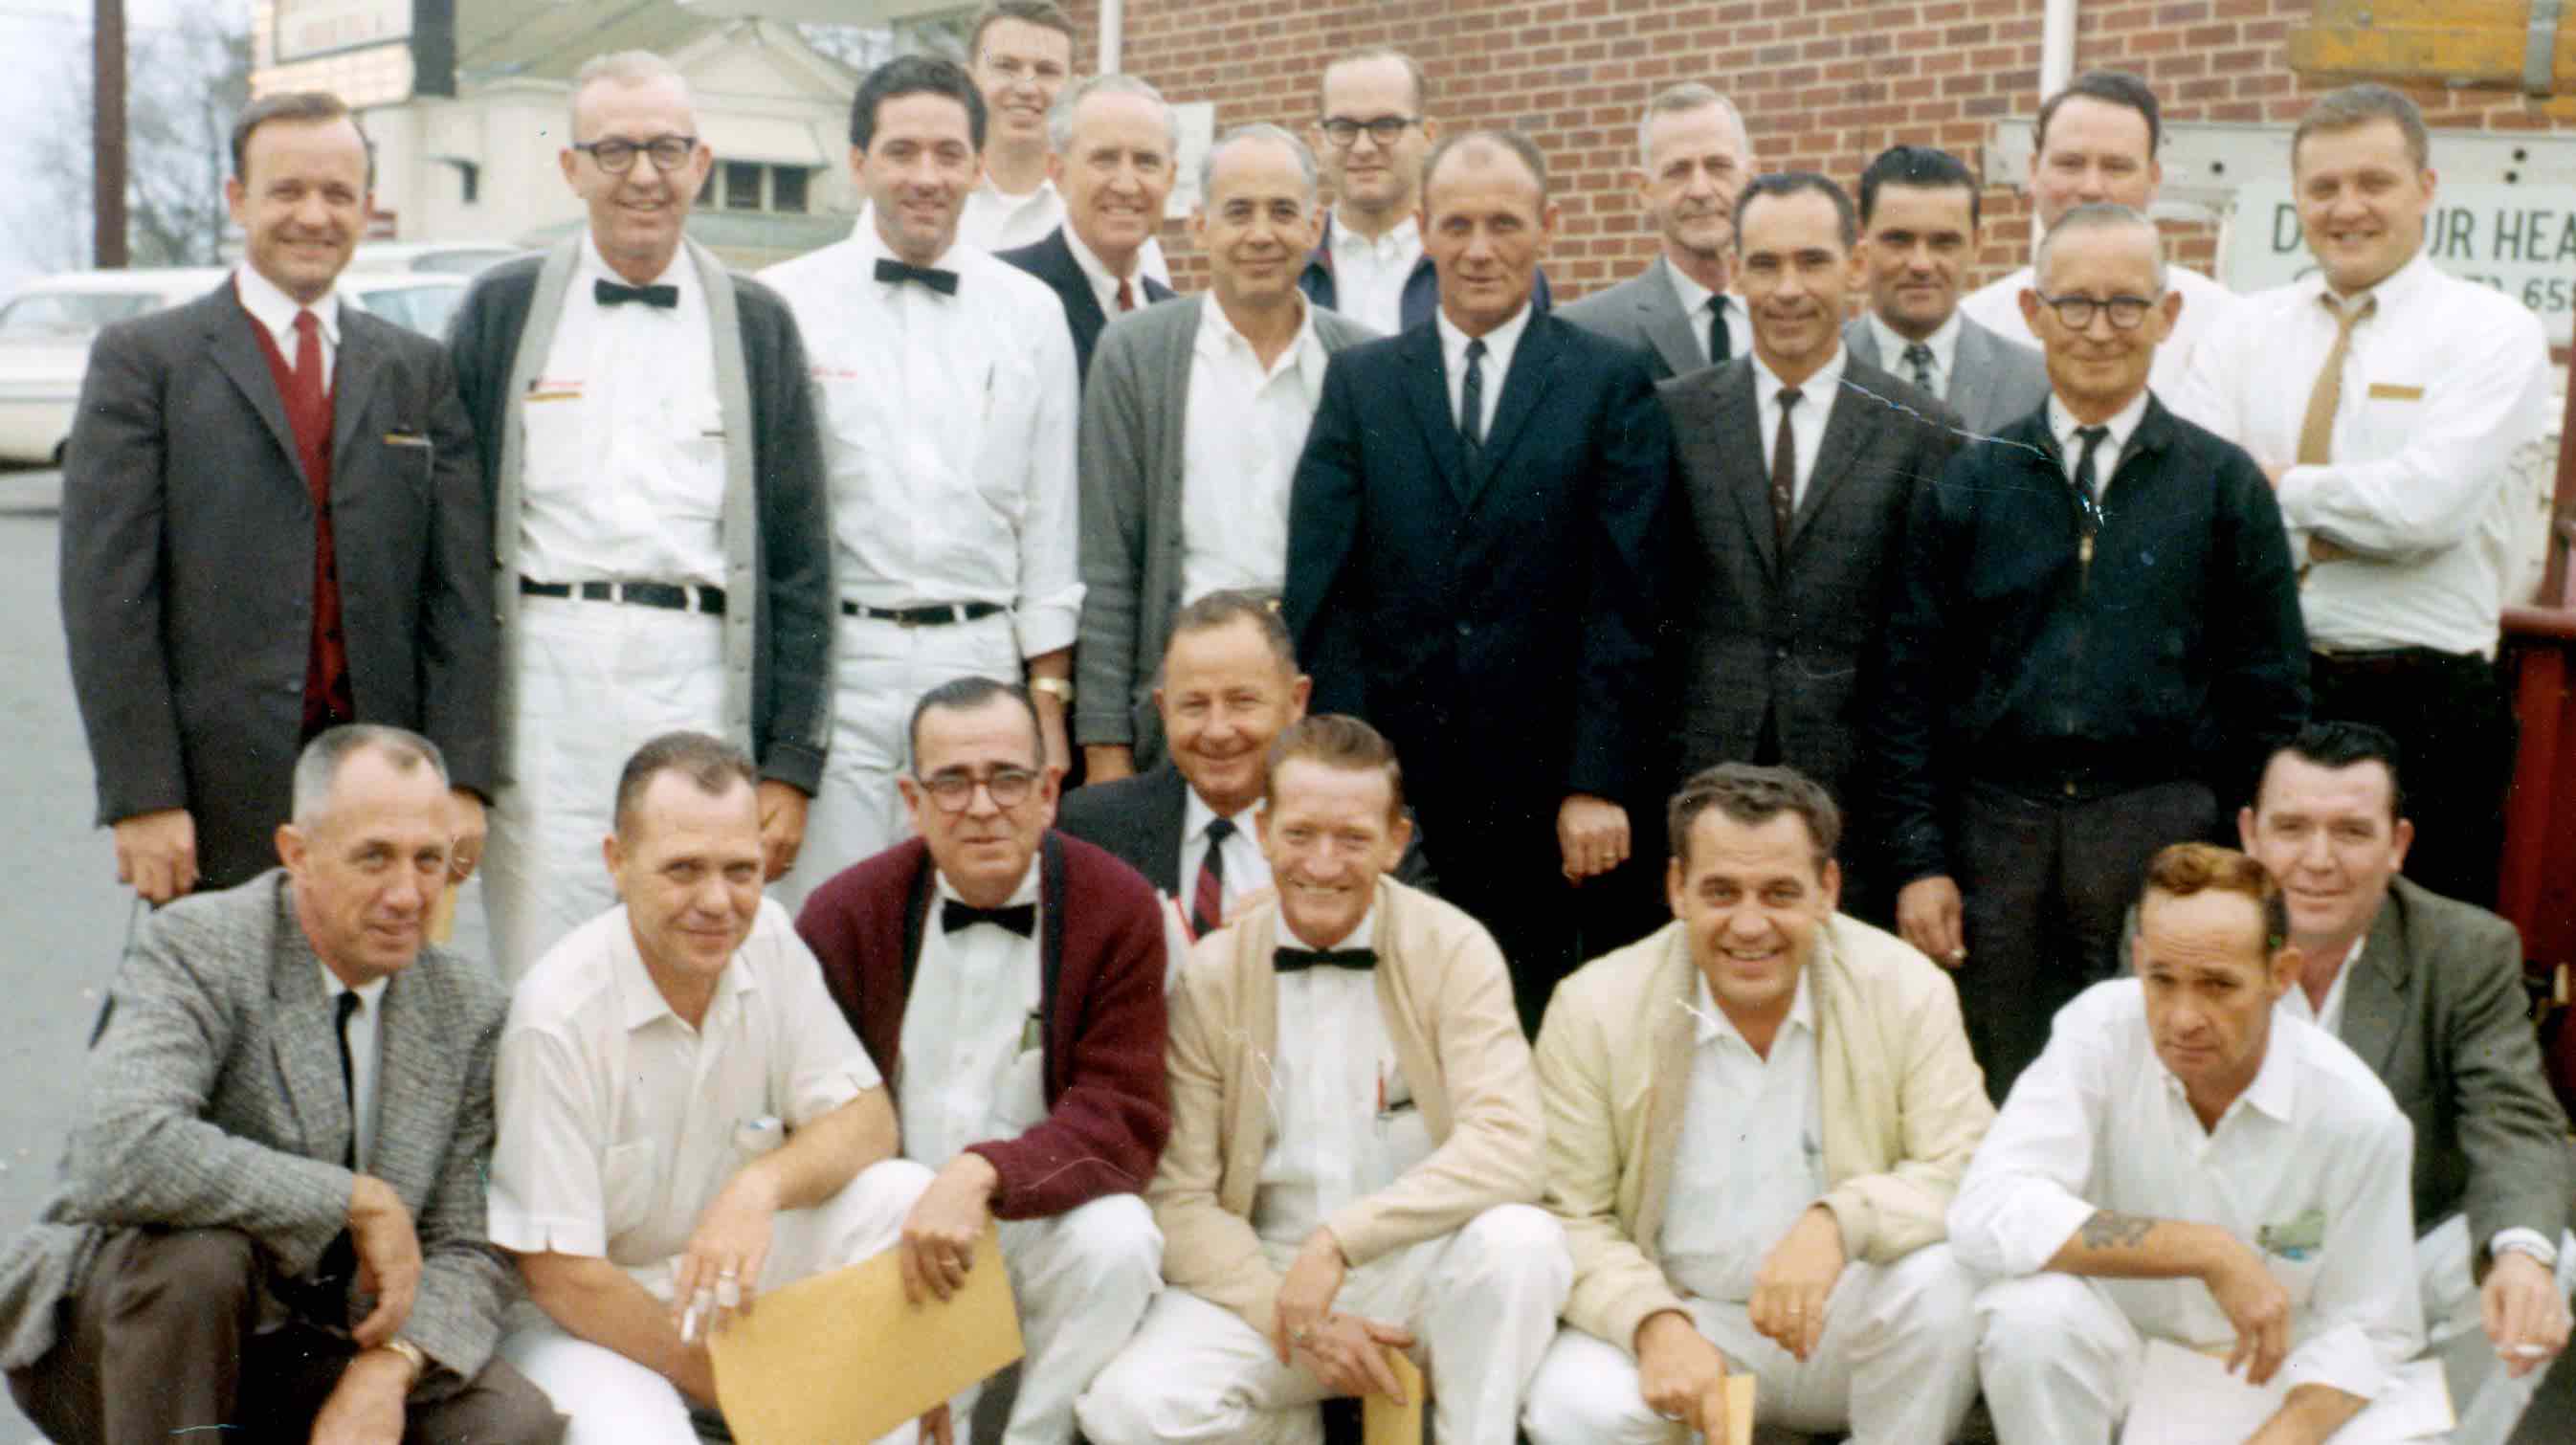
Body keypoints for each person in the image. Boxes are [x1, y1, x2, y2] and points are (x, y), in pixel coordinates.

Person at [0, 725, 560, 1444]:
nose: (407, 893)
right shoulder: (203, 946)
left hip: (317, 1339)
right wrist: (353, 1200)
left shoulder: (468, 1009)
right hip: (131, 1340)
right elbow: (118, 1145)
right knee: (200, 1262)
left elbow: (467, 1244)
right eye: (374, 858)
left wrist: (390, 1367)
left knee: (511, 1422)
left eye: (430, 860)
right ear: (297, 854)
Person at [1876, 202, 2308, 1100]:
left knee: (2155, 1078)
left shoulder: (2223, 486)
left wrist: (2235, 864)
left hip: (2157, 829)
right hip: (1998, 836)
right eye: (2074, 304)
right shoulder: (1972, 480)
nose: (2100, 329)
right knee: (1998, 1077)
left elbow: (2271, 696)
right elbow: (1906, 690)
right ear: (2033, 314)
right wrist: (1922, 860)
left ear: (2167, 316)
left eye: (2126, 304)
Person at [1077, 715, 1570, 1443]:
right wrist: (1292, 1308)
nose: (1323, 863)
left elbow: (1512, 1145)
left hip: (1423, 1269)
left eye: (1353, 839)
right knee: (1130, 1407)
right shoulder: (1214, 973)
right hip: (1270, 1279)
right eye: (1301, 834)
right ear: (1266, 830)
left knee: (1521, 1243)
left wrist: (1341, 1242)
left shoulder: (1453, 948)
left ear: (1397, 843)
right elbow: (1179, 1197)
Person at [448, 51, 833, 980]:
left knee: (691, 963)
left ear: (701, 163)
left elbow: (800, 558)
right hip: (544, 690)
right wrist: (456, 759)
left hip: (697, 684)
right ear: (571, 168)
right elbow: (450, 548)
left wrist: (788, 762)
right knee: (541, 977)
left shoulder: (757, 324)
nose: (644, 176)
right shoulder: (502, 311)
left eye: (666, 149)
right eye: (614, 150)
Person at [60, 91, 495, 905]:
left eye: (337, 194)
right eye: (287, 191)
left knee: (372, 1018)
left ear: (368, 207)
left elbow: (459, 595)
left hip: (383, 796)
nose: (313, 216)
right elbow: (108, 601)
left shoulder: (417, 369)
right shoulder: (147, 362)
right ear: (238, 201)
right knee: (218, 1021)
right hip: (215, 795)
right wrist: (144, 796)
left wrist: (461, 777)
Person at [1284, 129, 1672, 1033]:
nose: (1480, 248)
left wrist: (1596, 779)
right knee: (1391, 1024)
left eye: (1505, 223)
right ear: (1423, 229)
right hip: (1400, 789)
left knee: (1530, 1023)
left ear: (1547, 227)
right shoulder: (1362, 383)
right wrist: (1356, 777)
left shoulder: (1608, 382)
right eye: (1457, 224)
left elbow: (1631, 598)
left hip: (1548, 801)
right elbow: (1323, 592)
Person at [1521, 764, 1992, 1445]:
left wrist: (1837, 1224)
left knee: (1947, 1283)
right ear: (1677, 888)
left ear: (1826, 890)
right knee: (1572, 1405)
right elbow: (1568, 1213)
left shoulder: (1904, 986)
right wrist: (1653, 1323)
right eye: (1721, 891)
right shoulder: (1596, 1005)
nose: (1749, 925)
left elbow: (1968, 1166)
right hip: (1687, 1320)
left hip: (1845, 1320)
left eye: (1779, 893)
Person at [487, 732, 936, 1443]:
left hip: (727, 1279)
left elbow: (868, 1119)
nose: (717, 902)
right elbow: (560, 1276)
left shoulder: (769, 941)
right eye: (684, 870)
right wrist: (740, 1388)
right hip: (591, 1323)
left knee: (905, 1198)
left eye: (740, 870)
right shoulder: (556, 1016)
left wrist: (755, 1192)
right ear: (617, 863)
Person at [2175, 83, 2552, 913]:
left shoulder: (2492, 332)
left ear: (2425, 189)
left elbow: (2428, 509)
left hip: (2422, 699)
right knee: (2246, 927)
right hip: (2262, 684)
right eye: (2323, 187)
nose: (2348, 208)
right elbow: (2197, 503)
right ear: (2297, 198)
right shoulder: (2241, 333)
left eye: (2374, 182)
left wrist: (2273, 487)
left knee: (2411, 949)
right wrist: (2333, 504)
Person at [1951, 842, 2443, 1443]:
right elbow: (1987, 1211)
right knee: (2030, 1318)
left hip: (2268, 1389)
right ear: (2138, 960)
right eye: (2161, 979)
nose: (2184, 1018)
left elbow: (2374, 1329)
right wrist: (2205, 1250)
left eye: (2217, 985)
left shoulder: (2358, 1115)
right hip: (2120, 1368)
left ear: (2279, 976)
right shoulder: (2099, 1030)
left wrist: (2278, 1439)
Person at [797, 678, 1168, 1445]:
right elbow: (817, 1106)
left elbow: (1122, 1114)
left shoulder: (1118, 907)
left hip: (1039, 1207)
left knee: (1122, 1238)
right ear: (912, 798)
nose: (982, 805)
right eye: (952, 782)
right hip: (891, 1224)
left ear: (1047, 791)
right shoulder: (844, 913)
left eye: (1006, 778)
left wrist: (982, 1173)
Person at [760, 56, 1081, 907]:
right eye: (902, 152)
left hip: (980, 657)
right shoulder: (784, 303)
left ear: (979, 164)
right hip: (843, 663)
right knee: (836, 923)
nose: (927, 177)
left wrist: (1046, 705)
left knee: (974, 915)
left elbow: (1051, 525)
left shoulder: (1030, 313)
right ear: (859, 163)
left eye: (949, 154)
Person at [2237, 722, 2574, 1442]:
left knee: (2550, 1259)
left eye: (2352, 833)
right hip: (2226, 1261)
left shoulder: (2464, 949)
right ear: (2249, 835)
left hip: (2382, 1265)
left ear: (2398, 846)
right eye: (2291, 828)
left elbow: (2511, 1116)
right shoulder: (2189, 930)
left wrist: (2522, 1256)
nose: (2318, 861)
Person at [1657, 172, 1962, 921]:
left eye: (1812, 262)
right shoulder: (1673, 416)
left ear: (1854, 267)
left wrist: (1917, 841)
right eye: (1764, 264)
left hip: (1854, 795)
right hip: (1699, 780)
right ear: (1733, 271)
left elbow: (1925, 653)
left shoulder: (1922, 431)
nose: (1788, 289)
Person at [1072, 125, 1377, 779]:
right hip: (1182, 703)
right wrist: (1105, 744)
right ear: (1199, 225)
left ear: (1314, 225)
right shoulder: (1136, 354)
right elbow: (1107, 559)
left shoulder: (1362, 361)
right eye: (1238, 212)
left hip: (1323, 704)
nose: (1261, 234)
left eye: (1283, 211)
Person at [1058, 590, 1432, 931]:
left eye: (1242, 702)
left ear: (1296, 701)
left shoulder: (1364, 833)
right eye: (1194, 705)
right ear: (1162, 709)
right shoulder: (1090, 830)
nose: (1217, 730)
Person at [1957, 70, 2238, 392]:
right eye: (2070, 164)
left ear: (2154, 179)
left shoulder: (2222, 326)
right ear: (2033, 172)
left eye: (2116, 167)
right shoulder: (1974, 327)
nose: (2091, 188)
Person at [1297, 47, 1552, 333]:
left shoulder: (1496, 270)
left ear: (1428, 136)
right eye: (1344, 127)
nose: (1364, 147)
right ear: (1317, 141)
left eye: (1386, 125)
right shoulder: (1288, 271)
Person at [1842, 144, 2051, 436]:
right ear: (1862, 243)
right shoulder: (1820, 369)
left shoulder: (2033, 381)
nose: (1921, 264)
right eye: (1899, 240)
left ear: (1976, 245)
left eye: (1944, 242)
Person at [997, 75, 1180, 389]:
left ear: (1170, 177)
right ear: (1058, 171)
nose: (1126, 184)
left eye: (1146, 162)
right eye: (1105, 160)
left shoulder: (1177, 319)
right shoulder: (1005, 292)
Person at [1558, 83, 1752, 379]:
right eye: (1677, 171)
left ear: (1749, 178)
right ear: (1644, 189)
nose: (1700, 190)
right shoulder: (1585, 333)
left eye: (1718, 166)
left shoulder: (1796, 320)